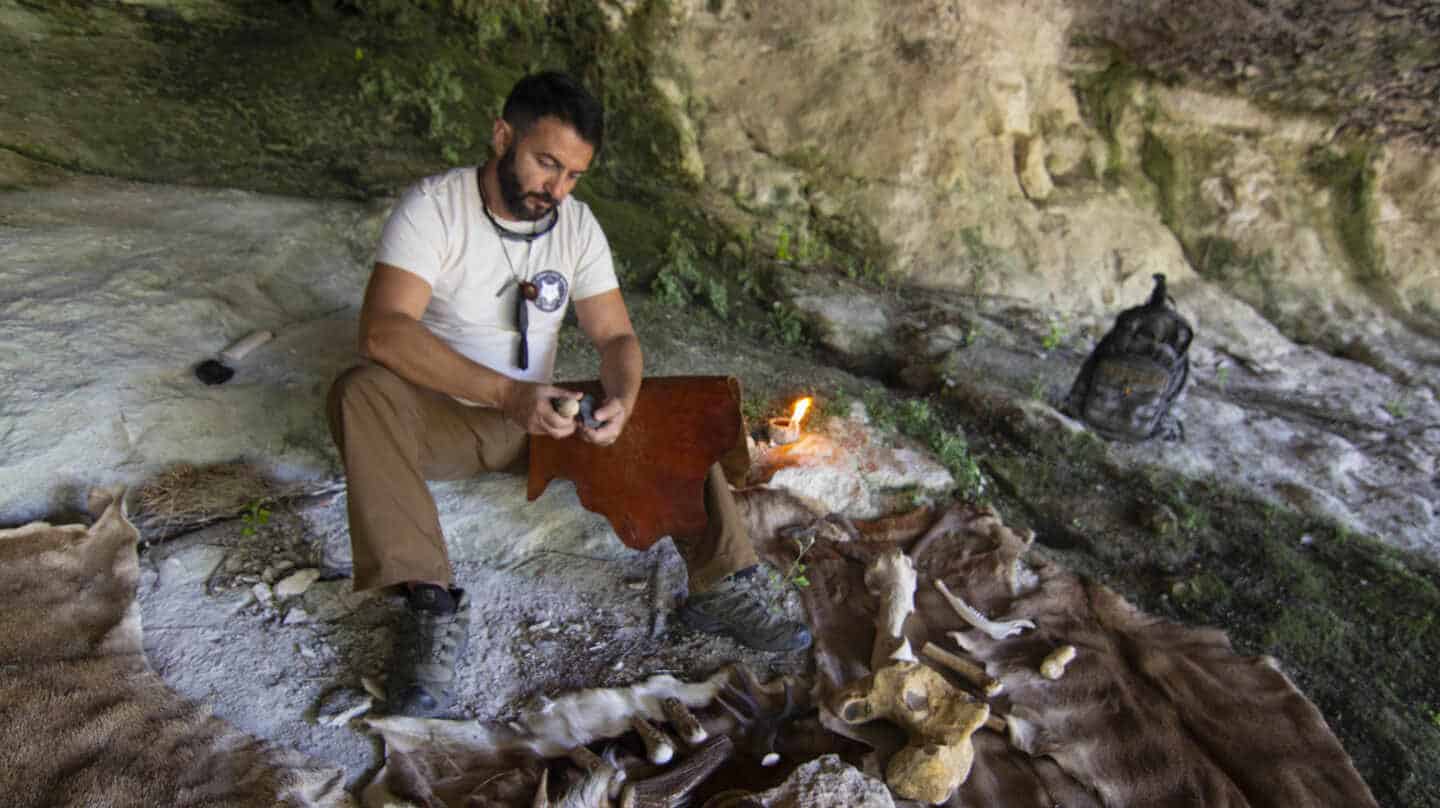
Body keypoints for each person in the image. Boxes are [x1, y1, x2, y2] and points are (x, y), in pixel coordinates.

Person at [326, 72, 811, 718]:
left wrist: (624, 401)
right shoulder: (435, 208)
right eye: (545, 163)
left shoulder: (575, 226)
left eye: (573, 175)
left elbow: (616, 338)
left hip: (542, 420)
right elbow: (383, 332)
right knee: (359, 393)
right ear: (503, 137)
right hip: (442, 415)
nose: (555, 189)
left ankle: (723, 584)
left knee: (676, 407)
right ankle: (430, 606)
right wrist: (505, 395)